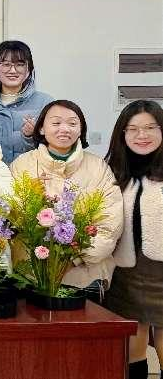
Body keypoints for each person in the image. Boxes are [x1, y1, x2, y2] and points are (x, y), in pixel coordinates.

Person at [10, 99, 123, 303]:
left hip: (85, 277)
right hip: (31, 276)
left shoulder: (98, 168)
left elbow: (109, 225)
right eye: (56, 123)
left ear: (81, 130)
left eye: (72, 123)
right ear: (41, 128)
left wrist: (73, 259)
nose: (64, 129)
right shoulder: (22, 165)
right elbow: (12, 217)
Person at [104, 100, 163, 379]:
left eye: (151, 127)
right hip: (126, 276)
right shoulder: (114, 171)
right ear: (123, 133)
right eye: (134, 129)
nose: (142, 135)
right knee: (131, 353)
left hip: (161, 275)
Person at [0, 40, 53, 164]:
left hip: (31, 174)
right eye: (6, 64)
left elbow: (56, 147)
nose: (12, 70)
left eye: (20, 64)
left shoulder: (45, 103)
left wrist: (32, 136)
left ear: (28, 69)